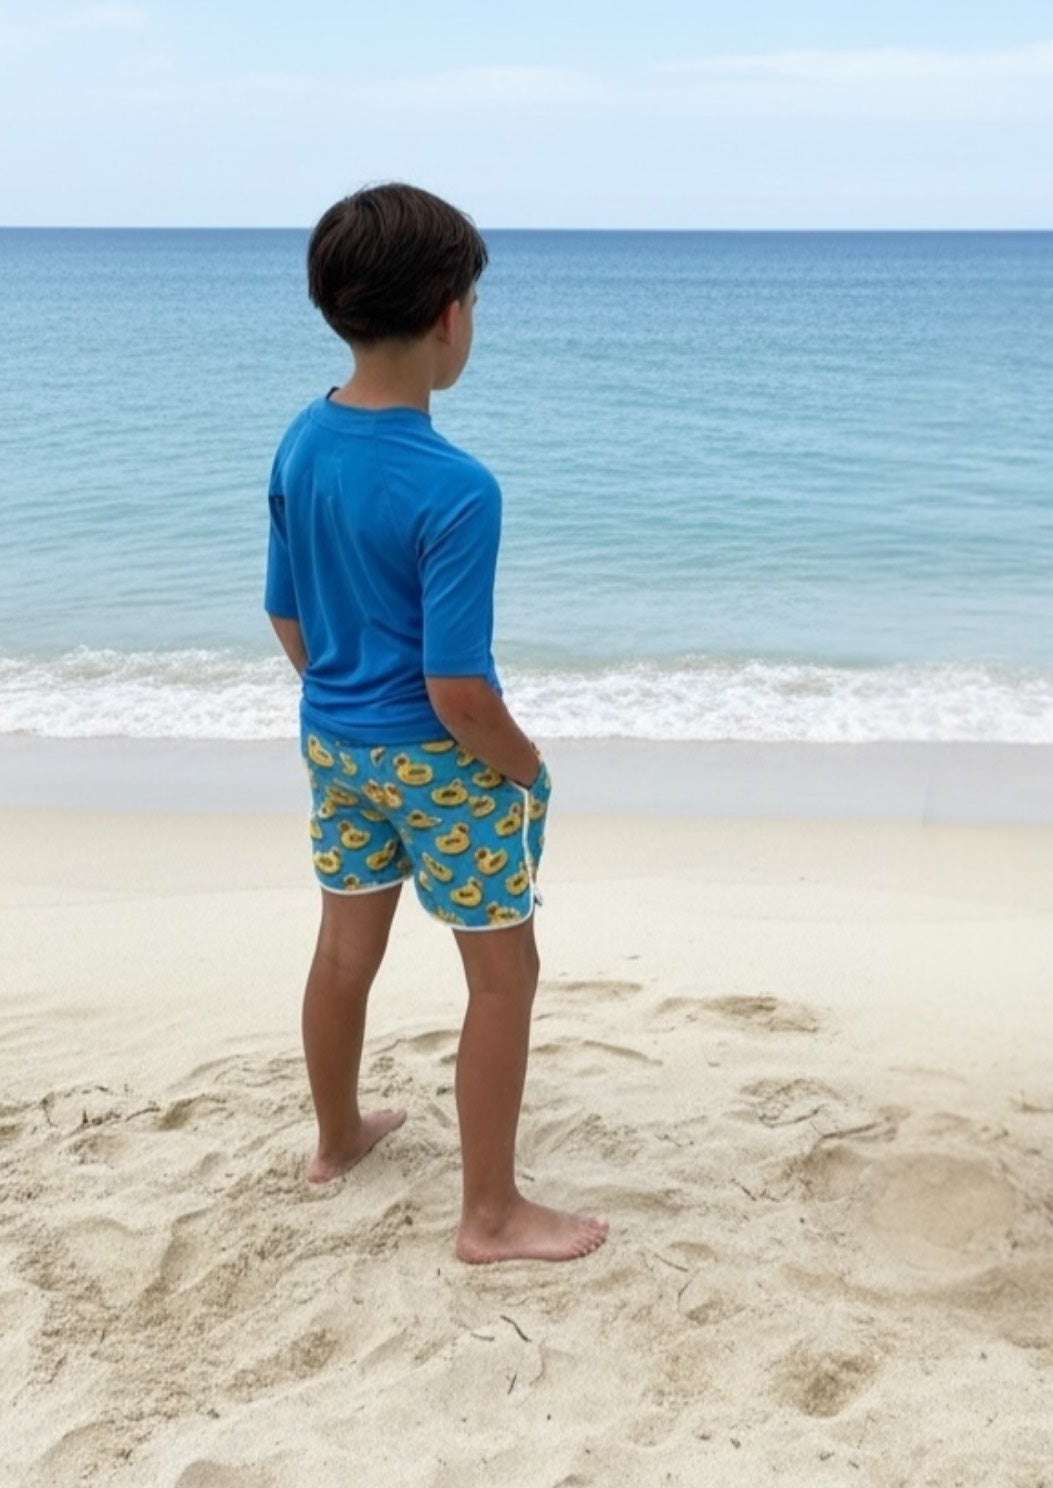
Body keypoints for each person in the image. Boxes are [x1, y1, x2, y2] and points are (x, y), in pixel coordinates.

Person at [264, 183, 608, 1264]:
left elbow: (285, 611)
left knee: (343, 951)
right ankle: (490, 1213)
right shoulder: (458, 488)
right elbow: (458, 690)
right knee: (504, 976)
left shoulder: (301, 440)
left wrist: (343, 703)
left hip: (335, 741)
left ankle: (336, 1140)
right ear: (452, 314)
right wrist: (527, 764)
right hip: (440, 764)